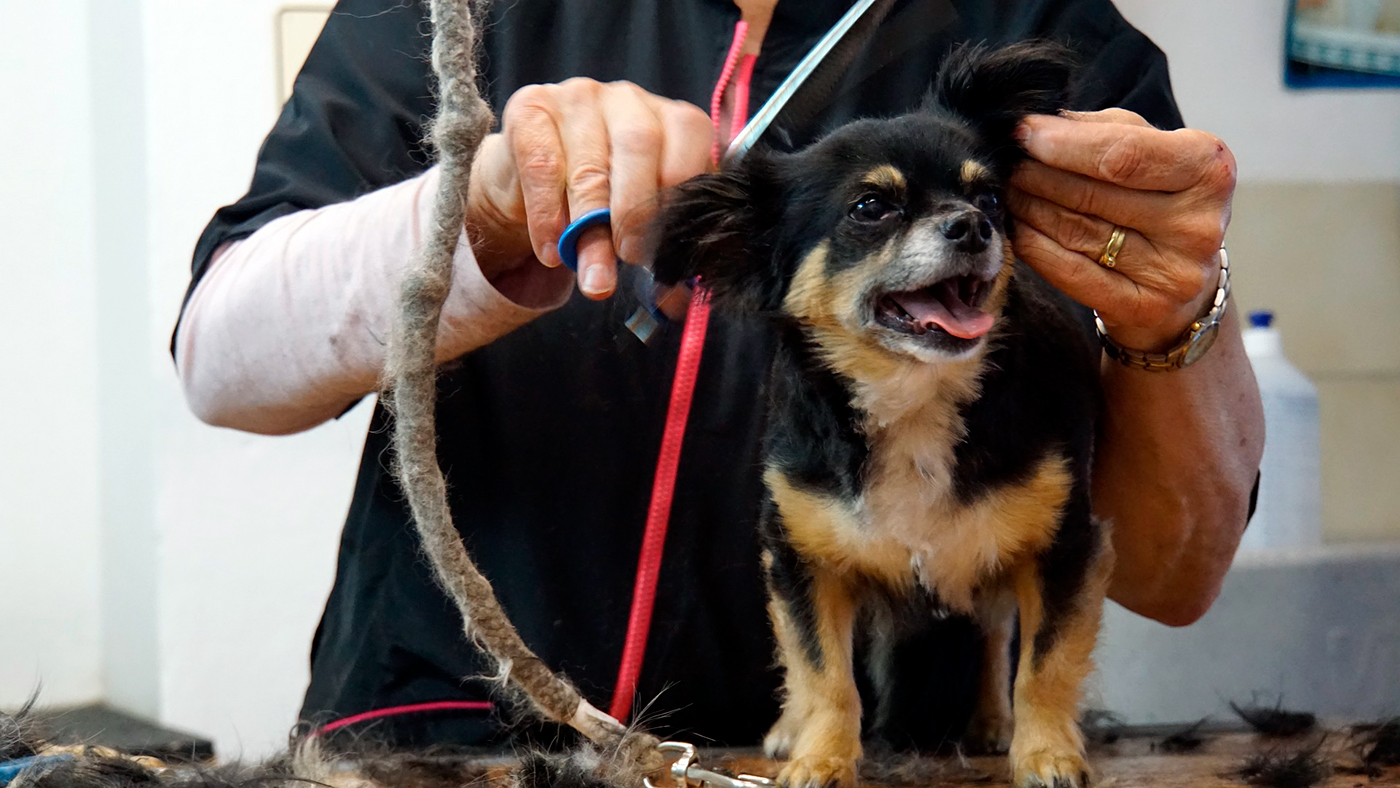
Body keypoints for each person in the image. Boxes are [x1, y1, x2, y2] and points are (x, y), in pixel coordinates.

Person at [174, 0, 1264, 751]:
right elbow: (221, 359)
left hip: (858, 755)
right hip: (447, 738)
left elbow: (1174, 572)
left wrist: (1177, 313)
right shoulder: (467, 10)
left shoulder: (1042, 42)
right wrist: (494, 202)